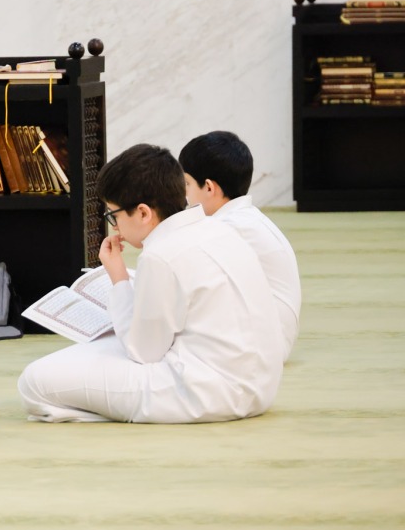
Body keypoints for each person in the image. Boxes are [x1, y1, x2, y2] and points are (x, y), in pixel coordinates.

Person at [17, 144, 284, 423]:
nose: (115, 227)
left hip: (204, 394)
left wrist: (119, 278)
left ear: (143, 213)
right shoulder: (218, 228)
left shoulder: (161, 254)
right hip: (260, 387)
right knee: (90, 353)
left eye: (114, 215)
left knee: (33, 382)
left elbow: (144, 352)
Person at [179, 131, 301, 361]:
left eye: (186, 183)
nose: (184, 194)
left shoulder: (229, 227)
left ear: (208, 187)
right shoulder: (243, 218)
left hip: (263, 347)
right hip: (269, 338)